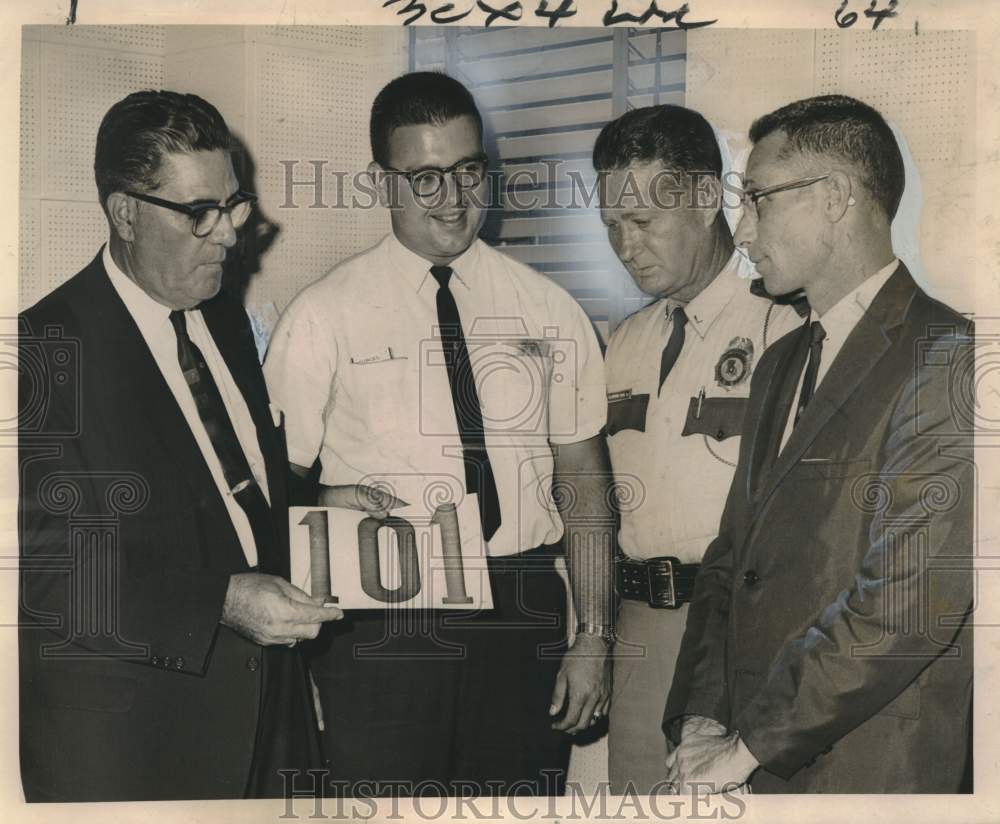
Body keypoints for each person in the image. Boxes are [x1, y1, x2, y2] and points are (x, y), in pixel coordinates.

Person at [263, 70, 614, 796]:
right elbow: (271, 487)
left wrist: (594, 636)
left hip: (522, 606)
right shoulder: (322, 315)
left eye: (466, 171)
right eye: (425, 178)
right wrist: (328, 495)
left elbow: (583, 479)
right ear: (382, 183)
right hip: (384, 614)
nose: (452, 200)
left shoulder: (549, 308)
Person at [18, 90, 342, 802]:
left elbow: (238, 494)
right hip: (141, 746)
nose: (228, 235)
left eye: (233, 207)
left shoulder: (222, 318)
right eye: (200, 213)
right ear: (125, 212)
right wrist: (220, 603)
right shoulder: (45, 352)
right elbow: (44, 578)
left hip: (270, 725)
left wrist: (330, 511)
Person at [664, 94, 974, 793]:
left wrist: (745, 748)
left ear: (835, 197)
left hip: (869, 768)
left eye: (758, 201)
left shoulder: (949, 358)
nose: (740, 232)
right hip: (753, 756)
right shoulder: (781, 361)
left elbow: (907, 604)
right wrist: (705, 719)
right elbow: (730, 562)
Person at [593, 105, 802, 794]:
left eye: (644, 222)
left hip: (743, 636)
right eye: (613, 225)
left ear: (706, 198)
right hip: (642, 630)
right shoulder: (624, 342)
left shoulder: (785, 327)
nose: (626, 245)